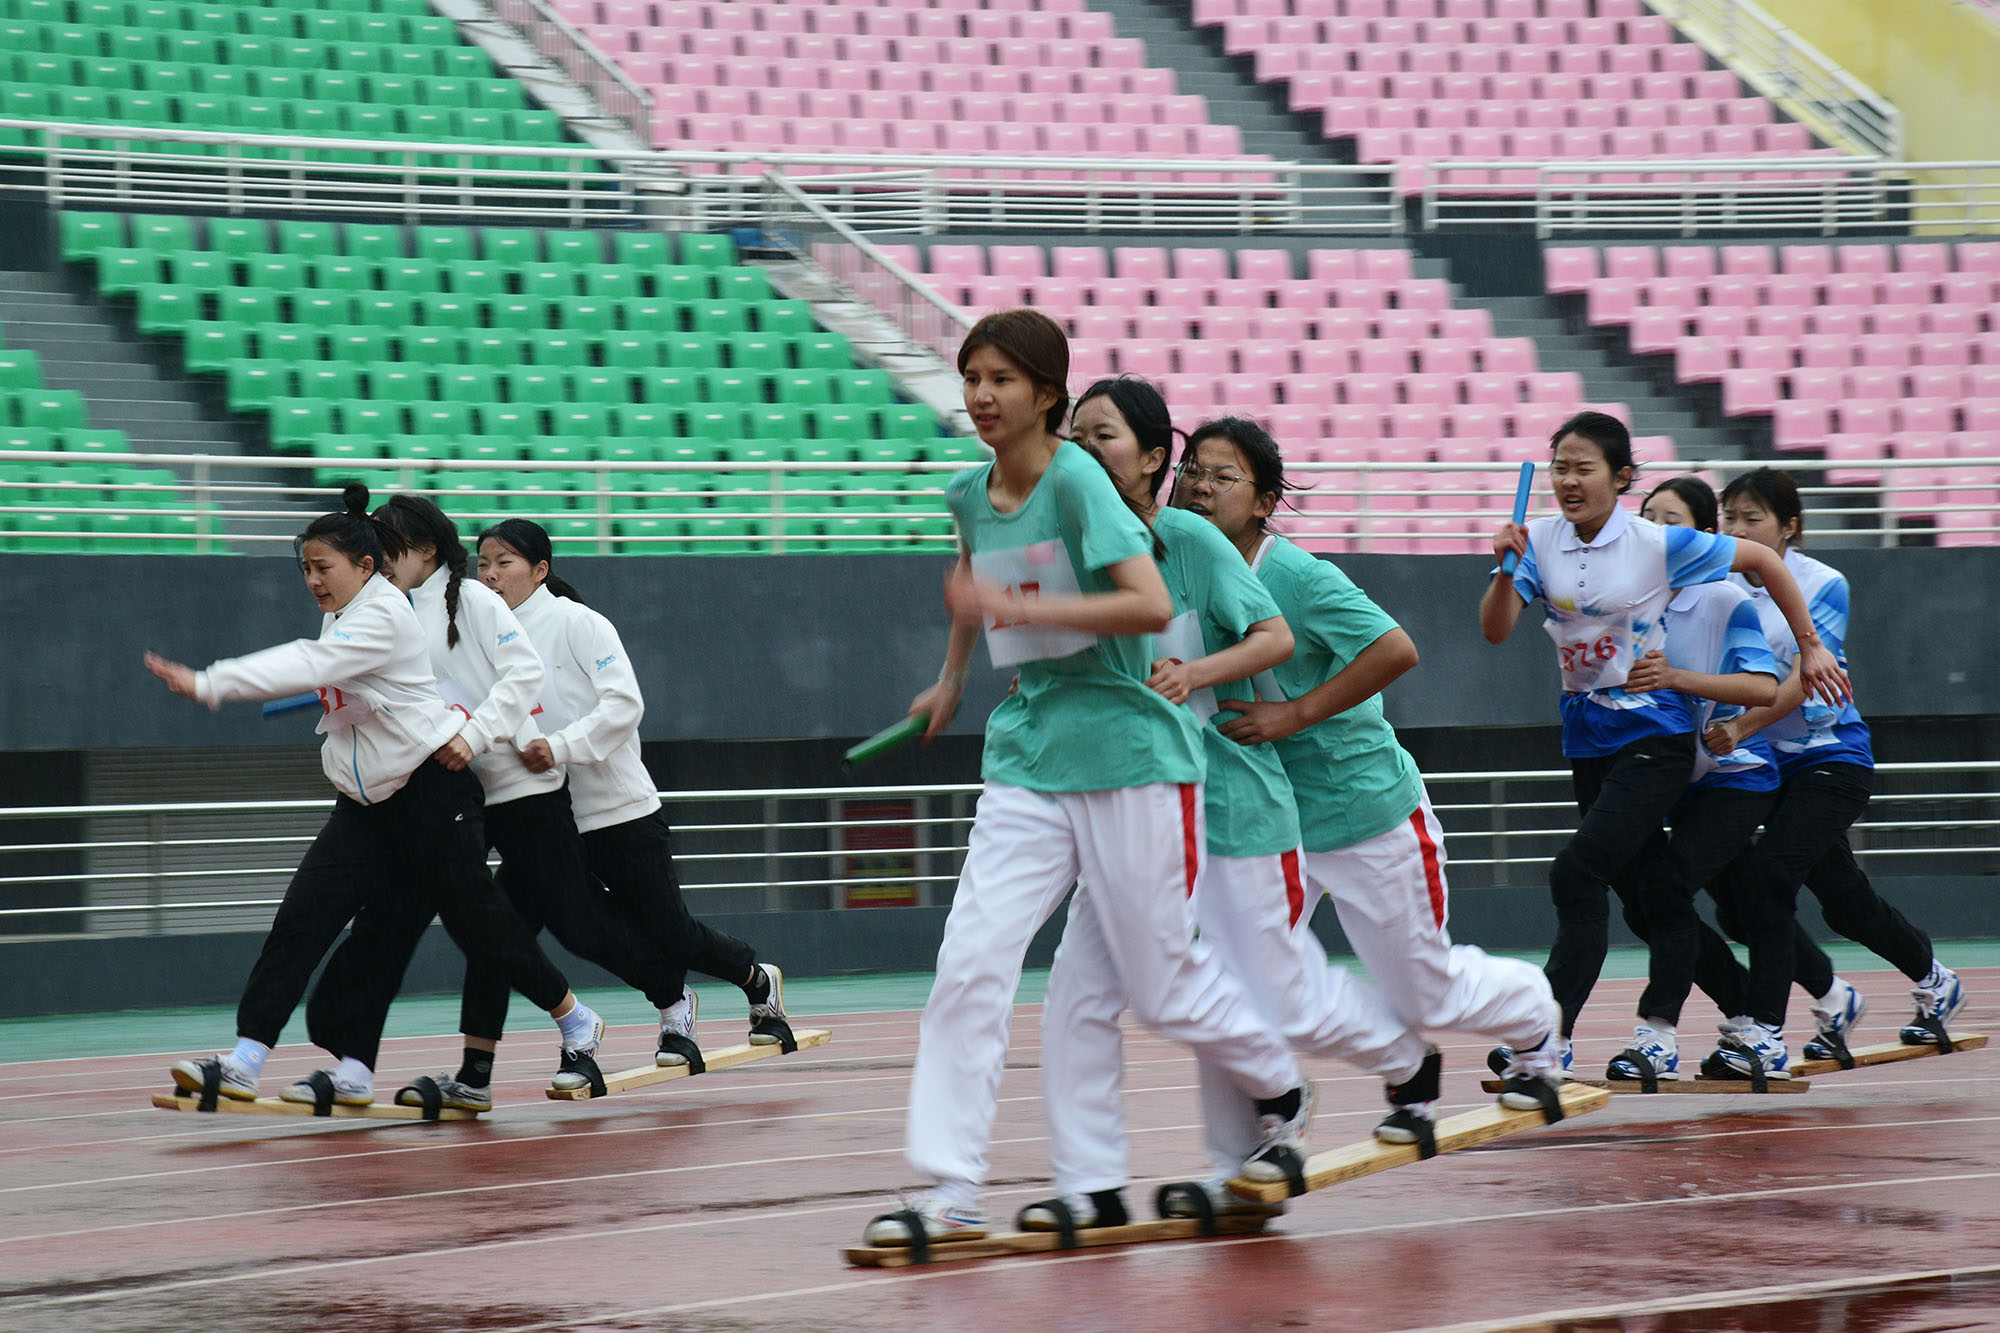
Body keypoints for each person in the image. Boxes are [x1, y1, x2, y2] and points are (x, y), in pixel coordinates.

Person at [862, 312, 1311, 1251]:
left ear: (1047, 394)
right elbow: (972, 577)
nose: (981, 395)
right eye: (971, 377)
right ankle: (950, 1186)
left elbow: (1146, 603)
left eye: (1002, 379)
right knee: (971, 959)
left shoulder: (1077, 480)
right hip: (1030, 754)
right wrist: (951, 679)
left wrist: (1016, 604)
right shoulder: (969, 490)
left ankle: (1278, 1083)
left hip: (1132, 755)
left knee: (1162, 982)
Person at [1032, 384, 1429, 1232]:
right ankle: (1095, 1182)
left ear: (1152, 461)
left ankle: (1389, 1061)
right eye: (1075, 437)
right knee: (1079, 989)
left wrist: (1277, 707)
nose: (1082, 451)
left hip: (1235, 808)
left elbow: (1283, 641)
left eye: (1103, 436)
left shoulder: (1202, 547)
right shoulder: (1063, 547)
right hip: (1126, 810)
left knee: (1265, 991)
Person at [144, 484, 602, 1107]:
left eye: (323, 567)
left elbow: (309, 663)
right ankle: (253, 1061)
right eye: (305, 569)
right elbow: (338, 683)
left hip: (431, 793)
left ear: (366, 565)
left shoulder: (385, 614)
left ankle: (574, 1017)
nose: (313, 580)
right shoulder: (345, 613)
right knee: (306, 919)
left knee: (478, 925)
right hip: (366, 806)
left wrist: (211, 682)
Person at [1174, 418, 1560, 1123]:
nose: (1199, 486)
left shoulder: (1297, 576)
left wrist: (1292, 715)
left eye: (1222, 476)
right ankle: (1276, 1121)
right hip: (1266, 821)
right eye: (1190, 470)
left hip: (1362, 809)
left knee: (1425, 993)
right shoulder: (1181, 571)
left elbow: (1395, 648)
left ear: (1264, 502)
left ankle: (1535, 1027)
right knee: (1240, 982)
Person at [1478, 414, 1848, 1086]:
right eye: (1559, 467)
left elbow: (1765, 562)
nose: (1567, 480)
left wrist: (1812, 645)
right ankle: (1743, 1011)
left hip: (1655, 737)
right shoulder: (1540, 540)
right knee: (1649, 897)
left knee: (1576, 873)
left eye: (1584, 468)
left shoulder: (1657, 545)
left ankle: (1550, 1038)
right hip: (1587, 736)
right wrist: (1504, 571)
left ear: (1621, 477)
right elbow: (1496, 631)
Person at [301, 494, 698, 1109]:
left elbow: (528, 680)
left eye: (387, 548)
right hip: (461, 793)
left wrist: (494, 737)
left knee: (578, 924)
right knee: (469, 926)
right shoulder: (389, 610)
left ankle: (671, 996)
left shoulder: (481, 602)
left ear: (425, 550)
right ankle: (467, 1073)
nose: (375, 561)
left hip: (527, 789)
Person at [475, 517, 789, 1078]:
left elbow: (623, 705)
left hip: (618, 812)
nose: (491, 575)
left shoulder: (579, 623)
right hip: (547, 823)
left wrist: (559, 747)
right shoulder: (484, 644)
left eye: (504, 563)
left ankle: (755, 978)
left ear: (540, 570)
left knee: (671, 933)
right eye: (482, 565)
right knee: (569, 932)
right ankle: (656, 1008)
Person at [1703, 468, 1964, 1060]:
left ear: (1789, 527)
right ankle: (1911, 985)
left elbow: (1805, 675)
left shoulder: (1823, 583)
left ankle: (1764, 1033)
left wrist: (1740, 728)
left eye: (1752, 518)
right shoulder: (1717, 584)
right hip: (1763, 768)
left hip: (1828, 759)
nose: (1737, 529)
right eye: (1729, 518)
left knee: (1766, 884)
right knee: (1841, 905)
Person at [1611, 477, 1791, 1078]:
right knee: (1648, 904)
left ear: (1707, 538)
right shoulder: (1627, 601)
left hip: (1736, 778)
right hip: (1670, 779)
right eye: (1647, 519)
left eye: (1672, 522)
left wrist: (1678, 680)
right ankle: (1748, 1014)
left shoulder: (1723, 599)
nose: (1656, 533)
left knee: (1675, 891)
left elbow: (1763, 688)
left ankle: (1659, 1036)